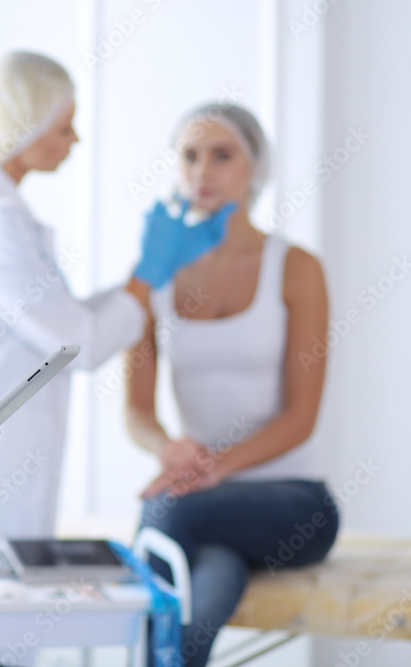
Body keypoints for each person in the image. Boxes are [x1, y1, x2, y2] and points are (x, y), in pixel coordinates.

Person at [0, 52, 234, 667]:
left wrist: (146, 277)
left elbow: (67, 318)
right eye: (63, 126)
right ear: (23, 126)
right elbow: (77, 343)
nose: (75, 139)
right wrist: (149, 272)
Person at [125, 103, 339, 666]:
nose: (203, 172)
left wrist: (213, 468)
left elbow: (301, 417)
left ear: (255, 168)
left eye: (222, 156)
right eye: (190, 156)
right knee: (208, 572)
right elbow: (136, 410)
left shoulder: (297, 268)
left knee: (167, 514)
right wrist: (168, 449)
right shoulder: (155, 276)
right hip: (203, 505)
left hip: (294, 501)